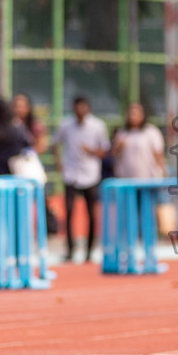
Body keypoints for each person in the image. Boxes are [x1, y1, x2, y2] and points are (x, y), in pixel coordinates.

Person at [54, 96, 110, 264]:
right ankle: (70, 250)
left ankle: (90, 250)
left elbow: (105, 151)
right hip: (71, 173)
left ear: (88, 108)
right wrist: (59, 164)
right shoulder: (66, 125)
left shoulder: (98, 126)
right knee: (69, 211)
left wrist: (91, 150)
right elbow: (55, 143)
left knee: (91, 213)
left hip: (90, 174)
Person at [0, 98, 35, 267]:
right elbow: (27, 145)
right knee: (18, 217)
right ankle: (18, 255)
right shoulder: (16, 129)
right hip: (15, 178)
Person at [113, 102, 166, 179]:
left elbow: (159, 155)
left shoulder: (151, 131)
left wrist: (163, 172)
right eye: (131, 113)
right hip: (126, 178)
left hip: (148, 178)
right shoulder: (122, 133)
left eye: (135, 113)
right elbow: (114, 155)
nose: (133, 116)